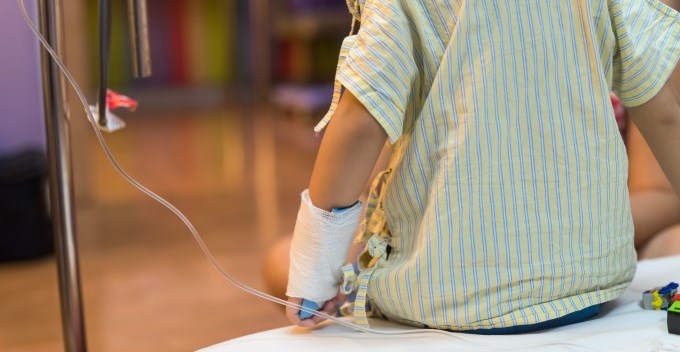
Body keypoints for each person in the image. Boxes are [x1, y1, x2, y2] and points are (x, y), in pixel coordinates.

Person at [283, 0, 680, 333]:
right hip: (591, 290)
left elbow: (359, 122)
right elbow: (664, 112)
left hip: (450, 302)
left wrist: (313, 273)